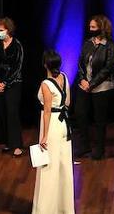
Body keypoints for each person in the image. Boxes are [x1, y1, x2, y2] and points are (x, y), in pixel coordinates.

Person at [32, 49, 74, 214]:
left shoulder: (46, 84)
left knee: (48, 168)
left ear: (45, 65)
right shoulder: (64, 77)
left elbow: (47, 112)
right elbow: (67, 102)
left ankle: (46, 210)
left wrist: (44, 136)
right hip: (64, 125)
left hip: (52, 127)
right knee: (63, 166)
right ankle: (64, 208)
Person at [74, 14, 114, 160]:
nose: (90, 29)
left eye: (93, 27)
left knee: (100, 118)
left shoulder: (110, 45)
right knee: (80, 114)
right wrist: (83, 80)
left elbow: (108, 68)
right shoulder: (88, 43)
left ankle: (99, 149)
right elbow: (80, 63)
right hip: (84, 85)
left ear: (101, 28)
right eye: (90, 27)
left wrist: (92, 84)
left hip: (101, 86)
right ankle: (84, 145)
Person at [0, 17, 25, 157]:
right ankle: (7, 142)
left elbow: (17, 67)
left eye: (1, 30)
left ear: (8, 30)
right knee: (2, 111)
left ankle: (17, 145)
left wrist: (5, 82)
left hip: (13, 84)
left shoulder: (17, 46)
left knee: (12, 112)